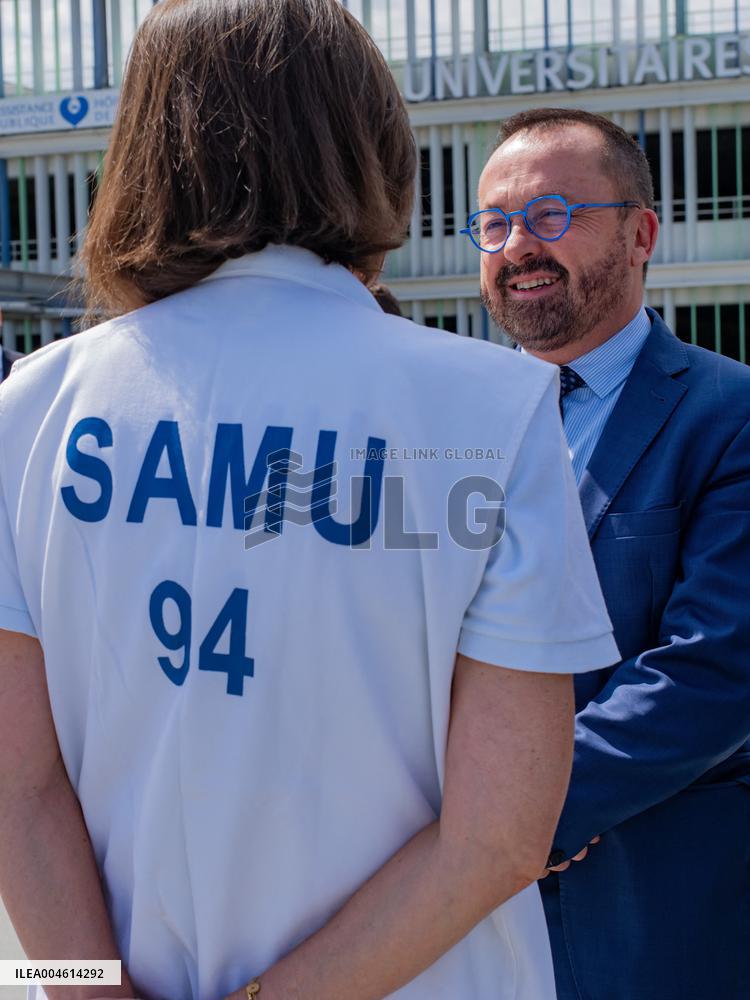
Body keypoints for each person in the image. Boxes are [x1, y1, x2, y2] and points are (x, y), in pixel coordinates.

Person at [0, 6, 620, 1000]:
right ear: (370, 143)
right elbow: (501, 838)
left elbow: (16, 794)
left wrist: (82, 990)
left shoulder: (30, 408)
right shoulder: (491, 406)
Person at [469, 106, 750, 1000]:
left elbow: (715, 668)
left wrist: (527, 811)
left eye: (552, 215)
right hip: (455, 918)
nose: (520, 246)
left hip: (649, 912)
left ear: (641, 233)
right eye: (496, 223)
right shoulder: (446, 419)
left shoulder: (728, 414)